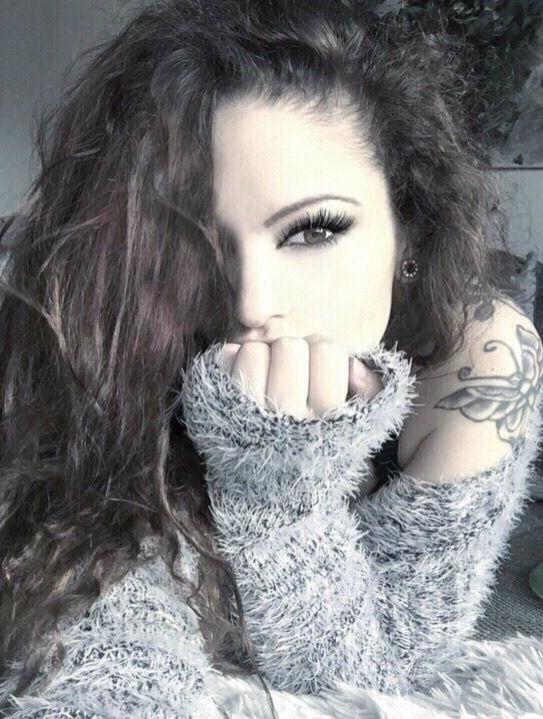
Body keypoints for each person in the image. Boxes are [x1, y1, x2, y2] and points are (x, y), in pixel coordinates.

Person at [0, 1, 542, 717]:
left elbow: (376, 678)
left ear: (408, 227)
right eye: (196, 247)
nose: (252, 302)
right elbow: (99, 627)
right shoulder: (114, 333)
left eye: (313, 230)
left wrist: (277, 490)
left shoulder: (482, 358)